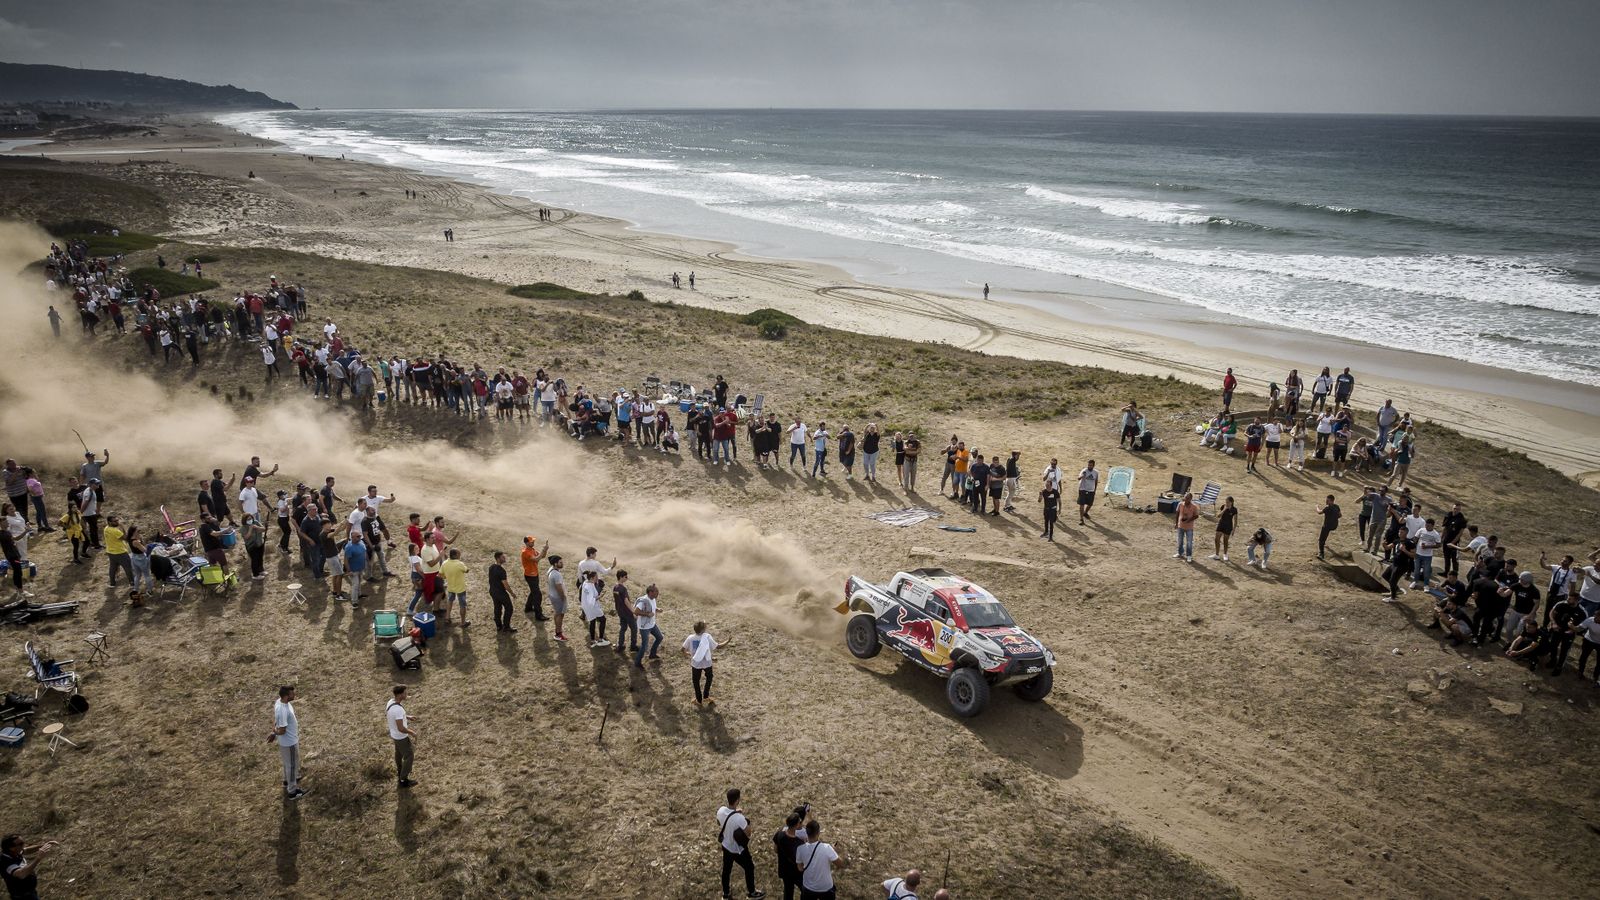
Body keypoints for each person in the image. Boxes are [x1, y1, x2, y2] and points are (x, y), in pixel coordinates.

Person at [716, 788, 765, 900]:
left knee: (726, 870)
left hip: (725, 845)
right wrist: (746, 821)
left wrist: (735, 812)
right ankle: (752, 892)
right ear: (737, 800)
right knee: (749, 867)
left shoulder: (721, 810)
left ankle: (726, 894)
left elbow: (719, 822)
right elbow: (748, 833)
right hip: (737, 849)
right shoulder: (740, 818)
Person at [271, 685, 307, 799]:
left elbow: (276, 721)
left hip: (288, 742)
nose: (294, 695)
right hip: (289, 743)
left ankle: (287, 780)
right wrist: (275, 733)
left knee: (290, 763)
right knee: (291, 765)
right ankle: (292, 792)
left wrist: (273, 732)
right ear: (286, 696)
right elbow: (281, 730)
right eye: (292, 694)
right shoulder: (283, 710)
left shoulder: (279, 702)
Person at [796, 818, 845, 900]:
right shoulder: (827, 848)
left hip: (808, 888)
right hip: (826, 888)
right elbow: (840, 864)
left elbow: (800, 868)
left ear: (806, 833)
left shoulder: (800, 849)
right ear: (818, 833)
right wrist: (835, 852)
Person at [1, 834, 59, 900]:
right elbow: (21, 874)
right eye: (21, 843)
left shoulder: (14, 852)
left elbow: (26, 850)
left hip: (30, 892)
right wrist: (38, 858)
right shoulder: (5, 861)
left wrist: (43, 846)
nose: (24, 845)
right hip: (23, 897)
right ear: (11, 848)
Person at [684, 620, 728, 705]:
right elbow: (718, 646)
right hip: (707, 663)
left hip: (695, 664)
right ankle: (706, 696)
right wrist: (728, 641)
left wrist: (688, 653)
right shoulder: (707, 637)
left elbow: (682, 649)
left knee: (696, 681)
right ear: (703, 630)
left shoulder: (690, 638)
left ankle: (699, 700)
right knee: (709, 678)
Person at [773, 809, 808, 900]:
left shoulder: (779, 834)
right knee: (804, 890)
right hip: (796, 872)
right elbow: (802, 863)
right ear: (797, 825)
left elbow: (775, 850)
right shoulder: (799, 843)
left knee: (788, 892)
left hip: (784, 870)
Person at [386, 685, 417, 788]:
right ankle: (403, 779)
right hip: (401, 737)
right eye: (404, 693)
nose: (406, 694)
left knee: (398, 754)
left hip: (394, 735)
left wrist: (407, 716)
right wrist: (411, 732)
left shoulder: (391, 702)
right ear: (399, 695)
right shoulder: (398, 710)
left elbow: (395, 716)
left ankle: (400, 772)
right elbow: (401, 728)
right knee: (409, 755)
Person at [633, 583, 664, 668]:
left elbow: (652, 608)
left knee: (660, 637)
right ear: (650, 592)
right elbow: (636, 611)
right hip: (644, 627)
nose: (657, 593)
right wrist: (647, 614)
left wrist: (657, 609)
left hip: (652, 624)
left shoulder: (653, 599)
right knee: (644, 645)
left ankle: (652, 654)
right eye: (656, 592)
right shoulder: (643, 601)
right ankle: (637, 662)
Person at [440, 548, 469, 627]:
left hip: (450, 587)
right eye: (459, 554)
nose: (460, 555)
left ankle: (447, 617)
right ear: (455, 555)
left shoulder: (445, 563)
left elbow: (440, 574)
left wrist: (446, 577)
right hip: (460, 588)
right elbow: (466, 570)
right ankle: (463, 622)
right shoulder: (459, 564)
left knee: (450, 601)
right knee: (462, 605)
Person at [580, 569, 609, 648]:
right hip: (592, 607)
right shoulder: (589, 586)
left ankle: (593, 640)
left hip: (586, 607)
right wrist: (600, 596)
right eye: (596, 576)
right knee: (603, 620)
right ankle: (600, 639)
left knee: (592, 622)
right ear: (592, 578)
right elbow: (591, 600)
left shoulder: (586, 582)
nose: (597, 578)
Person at [521, 536, 548, 620]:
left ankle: (528, 608)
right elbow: (536, 559)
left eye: (533, 541)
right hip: (530, 576)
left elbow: (542, 556)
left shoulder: (532, 550)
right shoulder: (525, 552)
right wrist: (543, 550)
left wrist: (545, 550)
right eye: (531, 542)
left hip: (534, 574)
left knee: (533, 592)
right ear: (527, 543)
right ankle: (538, 615)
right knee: (537, 595)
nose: (533, 543)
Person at [611, 570, 638, 655]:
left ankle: (620, 645)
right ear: (621, 577)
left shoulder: (615, 587)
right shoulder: (623, 589)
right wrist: (633, 611)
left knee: (623, 628)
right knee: (634, 629)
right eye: (626, 577)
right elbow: (626, 601)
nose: (627, 578)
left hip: (620, 612)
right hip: (627, 612)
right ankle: (633, 646)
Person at [488, 551, 515, 633]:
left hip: (493, 591)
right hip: (500, 593)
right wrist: (512, 593)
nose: (504, 558)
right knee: (509, 608)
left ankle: (499, 626)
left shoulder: (491, 567)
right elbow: (505, 585)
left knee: (497, 608)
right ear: (498, 558)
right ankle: (506, 626)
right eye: (503, 557)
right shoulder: (501, 570)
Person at [547, 555, 569, 642]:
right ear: (555, 564)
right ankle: (558, 634)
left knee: (557, 613)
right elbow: (559, 587)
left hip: (553, 595)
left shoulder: (551, 570)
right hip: (558, 597)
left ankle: (557, 631)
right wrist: (563, 597)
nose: (562, 563)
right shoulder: (557, 574)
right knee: (560, 614)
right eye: (560, 562)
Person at [1210, 496, 1237, 561]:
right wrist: (1224, 509)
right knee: (1216, 539)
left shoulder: (1234, 509)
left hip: (1228, 526)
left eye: (1228, 502)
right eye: (1226, 502)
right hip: (1221, 524)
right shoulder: (1223, 506)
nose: (1226, 503)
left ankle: (1225, 554)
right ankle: (1217, 554)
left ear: (1231, 502)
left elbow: (1235, 521)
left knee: (1225, 541)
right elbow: (1218, 516)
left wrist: (1233, 530)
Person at [1173, 492, 1199, 562]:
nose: (1186, 499)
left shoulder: (1194, 506)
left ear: (1191, 499)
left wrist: (1189, 520)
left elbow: (1196, 516)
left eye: (1188, 498)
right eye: (1185, 497)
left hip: (1189, 527)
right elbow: (1177, 513)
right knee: (1180, 540)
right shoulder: (1180, 504)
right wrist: (1176, 523)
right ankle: (1180, 553)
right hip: (1180, 525)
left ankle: (1189, 555)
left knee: (1189, 542)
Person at [1316, 496, 1340, 560]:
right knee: (1326, 534)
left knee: (1321, 540)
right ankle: (1324, 543)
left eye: (1327, 500)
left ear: (1332, 501)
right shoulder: (1337, 506)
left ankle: (1321, 554)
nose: (1326, 501)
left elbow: (1319, 512)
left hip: (1327, 526)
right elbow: (1340, 515)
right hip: (1334, 525)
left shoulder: (1327, 507)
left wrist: (1317, 507)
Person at [1075, 459, 1098, 524]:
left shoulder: (1096, 472)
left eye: (1091, 465)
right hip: (1083, 489)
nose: (1089, 466)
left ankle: (1085, 513)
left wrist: (1095, 490)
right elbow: (1078, 478)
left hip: (1091, 490)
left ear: (1093, 465)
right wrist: (1082, 476)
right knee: (1082, 504)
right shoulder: (1084, 470)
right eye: (1088, 465)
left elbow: (1096, 481)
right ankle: (1081, 518)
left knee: (1090, 504)